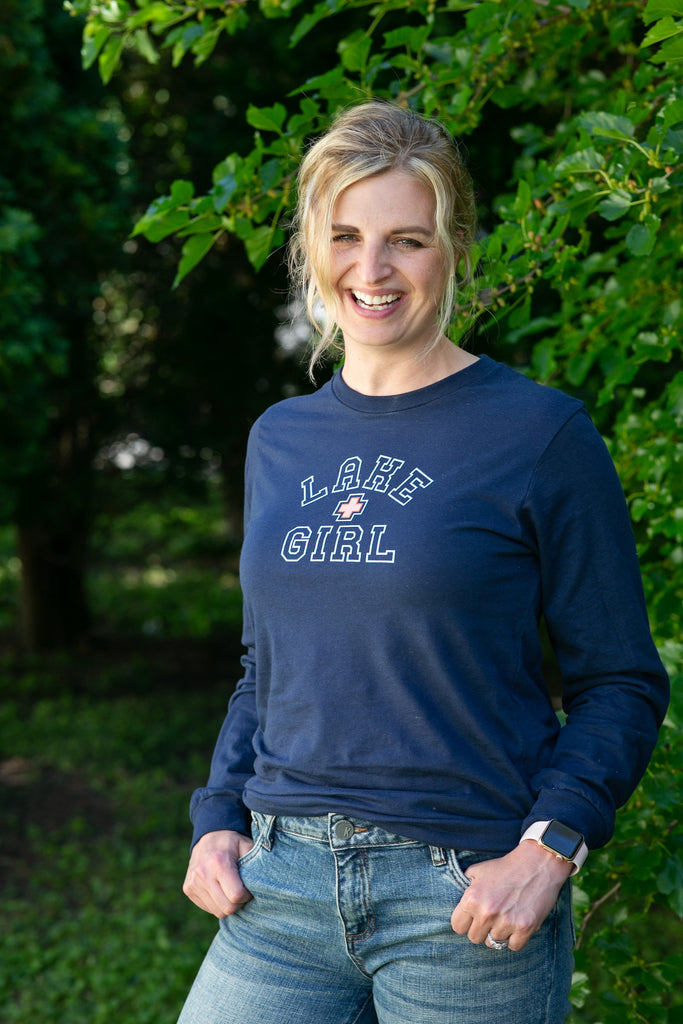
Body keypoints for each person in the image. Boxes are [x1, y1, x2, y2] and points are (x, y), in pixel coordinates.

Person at [176, 101, 669, 1024]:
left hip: (462, 897)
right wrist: (217, 817)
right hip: (278, 888)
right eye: (346, 236)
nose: (371, 270)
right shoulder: (279, 436)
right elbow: (264, 669)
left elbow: (619, 680)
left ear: (453, 248)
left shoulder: (539, 433)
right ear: (312, 247)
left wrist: (549, 849)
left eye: (405, 239)